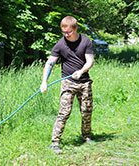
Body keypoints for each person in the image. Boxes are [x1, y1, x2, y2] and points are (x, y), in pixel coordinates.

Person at [40, 16, 94, 154]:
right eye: (64, 32)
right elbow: (50, 63)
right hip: (68, 82)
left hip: (84, 82)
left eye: (69, 32)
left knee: (86, 111)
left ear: (75, 29)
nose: (66, 35)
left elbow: (90, 61)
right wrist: (44, 81)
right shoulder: (60, 44)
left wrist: (81, 71)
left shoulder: (86, 41)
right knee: (64, 112)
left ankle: (86, 136)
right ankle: (55, 142)